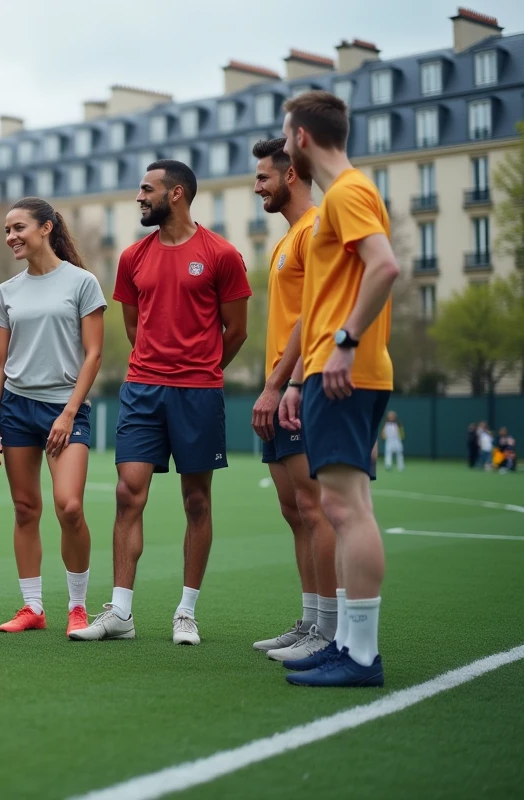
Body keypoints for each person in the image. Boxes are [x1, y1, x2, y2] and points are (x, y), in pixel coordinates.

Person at [72, 160, 251, 646]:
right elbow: (134, 327)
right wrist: (157, 364)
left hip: (199, 392)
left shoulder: (222, 254)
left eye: (147, 189)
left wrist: (204, 368)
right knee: (128, 492)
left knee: (196, 500)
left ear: (177, 194)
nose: (138, 197)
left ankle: (186, 613)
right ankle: (121, 613)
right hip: (142, 389)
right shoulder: (132, 257)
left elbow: (237, 330)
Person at [278, 90, 400, 687]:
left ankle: (360, 657)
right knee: (344, 506)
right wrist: (301, 376)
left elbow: (385, 265)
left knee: (346, 509)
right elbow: (327, 298)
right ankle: (349, 644)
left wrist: (346, 345)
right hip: (329, 371)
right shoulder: (341, 197)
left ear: (301, 137)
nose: (283, 147)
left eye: (284, 136)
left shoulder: (349, 191)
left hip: (347, 372)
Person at [0, 197, 106, 636]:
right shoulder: (7, 292)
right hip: (16, 410)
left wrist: (69, 412)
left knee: (69, 507)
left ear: (46, 228)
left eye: (18, 228)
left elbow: (94, 353)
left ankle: (78, 606)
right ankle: (32, 608)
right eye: (7, 230)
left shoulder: (83, 283)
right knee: (25, 508)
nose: (11, 236)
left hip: (64, 410)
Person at [248, 138, 339, 663]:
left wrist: (285, 383)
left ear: (291, 176)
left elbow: (317, 316)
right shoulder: (287, 239)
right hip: (279, 393)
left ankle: (329, 631)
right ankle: (310, 621)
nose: (257, 185)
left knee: (315, 507)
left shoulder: (315, 231)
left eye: (264, 176)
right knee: (293, 509)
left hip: (296, 391)